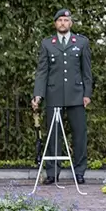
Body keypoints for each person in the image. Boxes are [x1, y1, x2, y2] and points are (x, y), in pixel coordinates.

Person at [31, 9, 93, 184]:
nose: (63, 23)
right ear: (55, 24)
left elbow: (86, 70)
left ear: (70, 23)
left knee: (79, 135)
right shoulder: (47, 44)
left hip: (76, 95)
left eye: (66, 20)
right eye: (60, 20)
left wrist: (87, 93)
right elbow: (42, 72)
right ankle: (52, 172)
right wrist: (38, 95)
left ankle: (79, 171)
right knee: (53, 136)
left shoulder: (81, 42)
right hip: (54, 95)